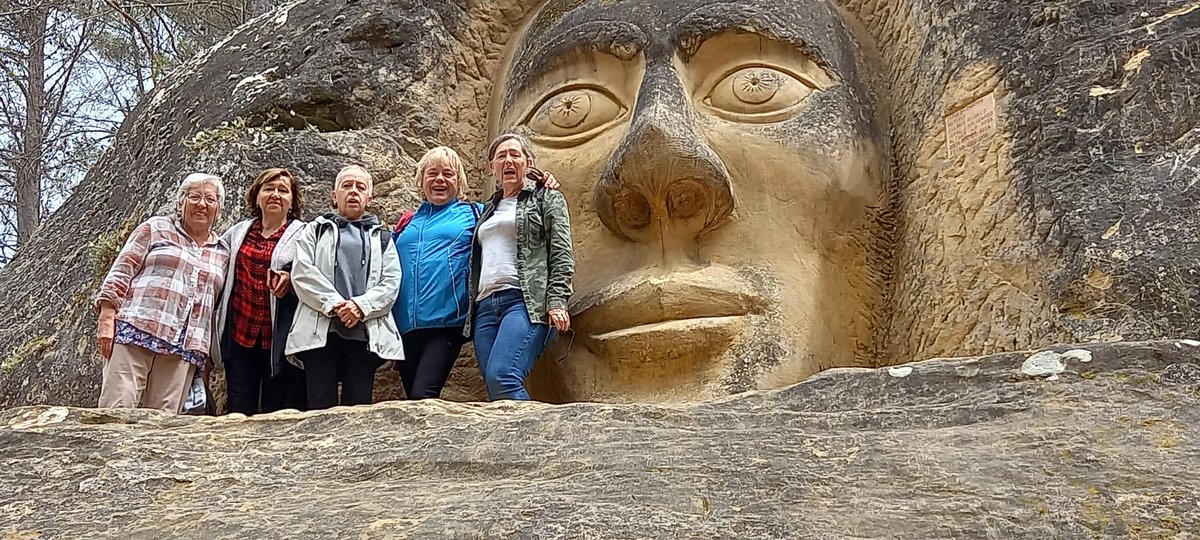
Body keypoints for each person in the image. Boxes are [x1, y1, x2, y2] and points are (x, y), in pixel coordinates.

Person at [94, 173, 229, 412]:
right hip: (135, 331)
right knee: (116, 411)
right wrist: (107, 318)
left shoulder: (222, 251)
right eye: (194, 196)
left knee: (163, 424)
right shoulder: (156, 228)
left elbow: (218, 305)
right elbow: (122, 270)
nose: (202, 204)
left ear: (218, 209)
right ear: (181, 202)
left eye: (210, 199)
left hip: (184, 346)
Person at [286, 164, 405, 409]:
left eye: (360, 187)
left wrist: (360, 307)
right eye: (346, 186)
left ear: (368, 198)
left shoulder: (382, 237)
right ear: (334, 195)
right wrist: (336, 305)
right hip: (320, 333)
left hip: (363, 335)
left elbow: (391, 282)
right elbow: (302, 272)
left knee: (358, 406)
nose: (353, 192)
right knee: (319, 405)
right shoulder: (314, 230)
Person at [467, 133, 575, 401]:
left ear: (528, 163)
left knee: (503, 375)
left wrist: (557, 300)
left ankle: (537, 442)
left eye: (515, 154)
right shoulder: (487, 210)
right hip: (485, 308)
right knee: (495, 388)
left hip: (525, 301)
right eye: (501, 156)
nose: (508, 160)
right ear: (492, 167)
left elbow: (561, 252)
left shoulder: (546, 198)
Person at [212, 167, 308, 415]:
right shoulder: (237, 233)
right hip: (241, 337)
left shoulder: (304, 234)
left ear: (292, 201)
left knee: (280, 412)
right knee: (238, 411)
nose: (275, 194)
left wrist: (290, 279)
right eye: (268, 189)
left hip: (282, 341)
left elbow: (315, 273)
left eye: (283, 191)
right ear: (257, 196)